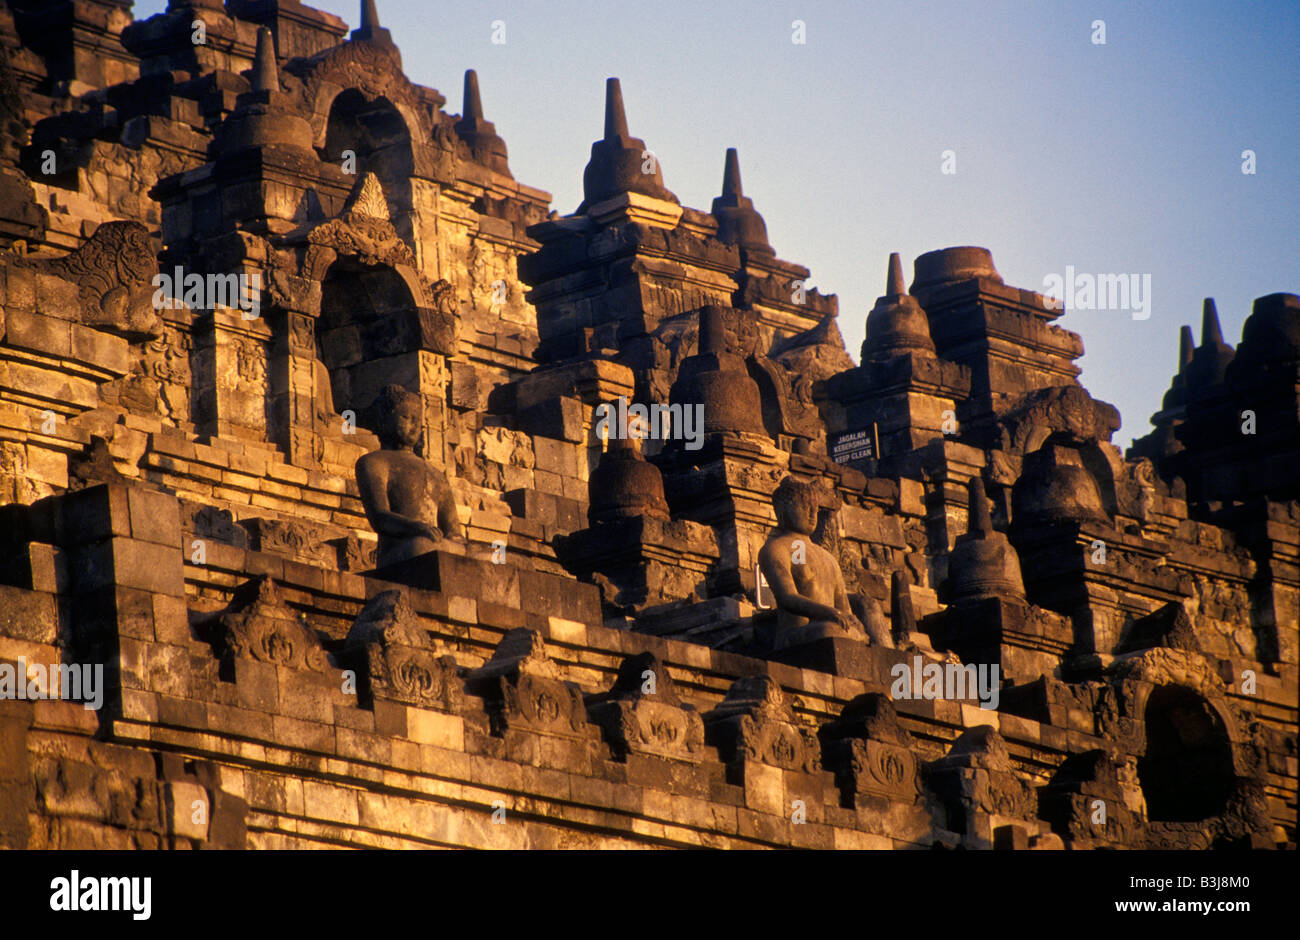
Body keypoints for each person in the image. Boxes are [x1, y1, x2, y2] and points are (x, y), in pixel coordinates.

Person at [355, 385, 463, 568]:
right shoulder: (374, 462)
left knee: (492, 556)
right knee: (422, 546)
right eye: (406, 418)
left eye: (417, 421)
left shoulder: (436, 474)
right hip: (401, 549)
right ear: (383, 420)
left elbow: (453, 532)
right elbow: (380, 517)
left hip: (436, 543)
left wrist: (464, 546)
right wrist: (417, 528)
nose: (414, 427)